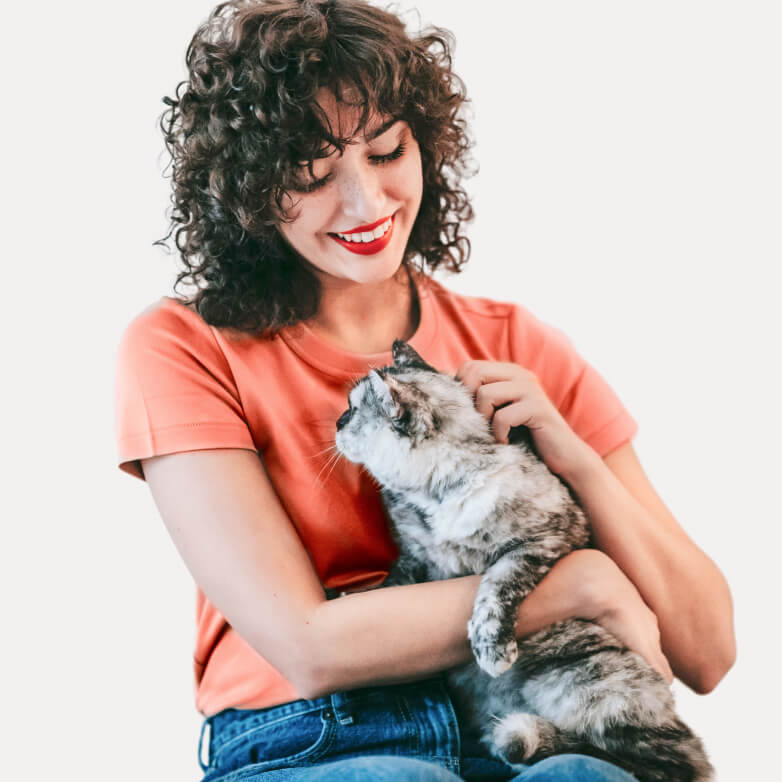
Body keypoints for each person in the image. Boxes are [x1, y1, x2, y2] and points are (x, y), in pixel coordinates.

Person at [114, 1, 736, 780]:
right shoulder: (184, 347)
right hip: (314, 737)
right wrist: (581, 583)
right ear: (247, 190)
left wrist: (575, 458)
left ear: (425, 145)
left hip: (523, 707)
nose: (366, 204)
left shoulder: (512, 343)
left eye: (386, 151)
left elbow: (707, 651)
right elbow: (310, 647)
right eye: (311, 173)